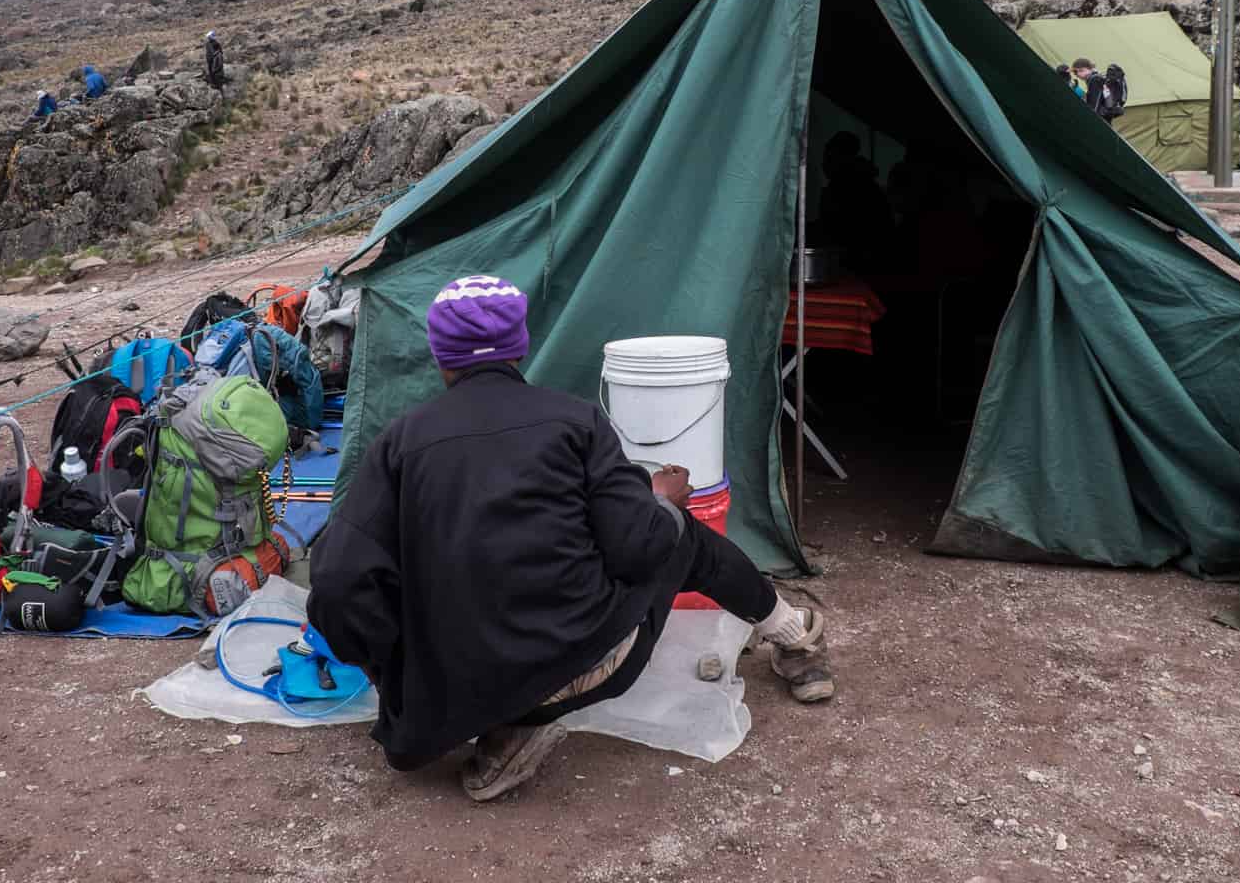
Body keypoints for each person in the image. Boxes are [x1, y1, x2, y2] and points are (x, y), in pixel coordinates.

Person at [309, 276, 834, 803]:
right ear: (521, 346)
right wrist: (659, 501)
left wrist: (392, 669)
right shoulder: (574, 422)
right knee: (679, 535)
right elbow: (638, 548)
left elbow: (335, 584)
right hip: (581, 665)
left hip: (447, 693)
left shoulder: (397, 444)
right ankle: (794, 639)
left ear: (439, 355)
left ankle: (507, 730)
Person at [819, 132, 893, 272]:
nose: (824, 163)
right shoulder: (850, 185)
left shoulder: (854, 189)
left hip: (861, 267)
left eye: (829, 157)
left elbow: (842, 232)